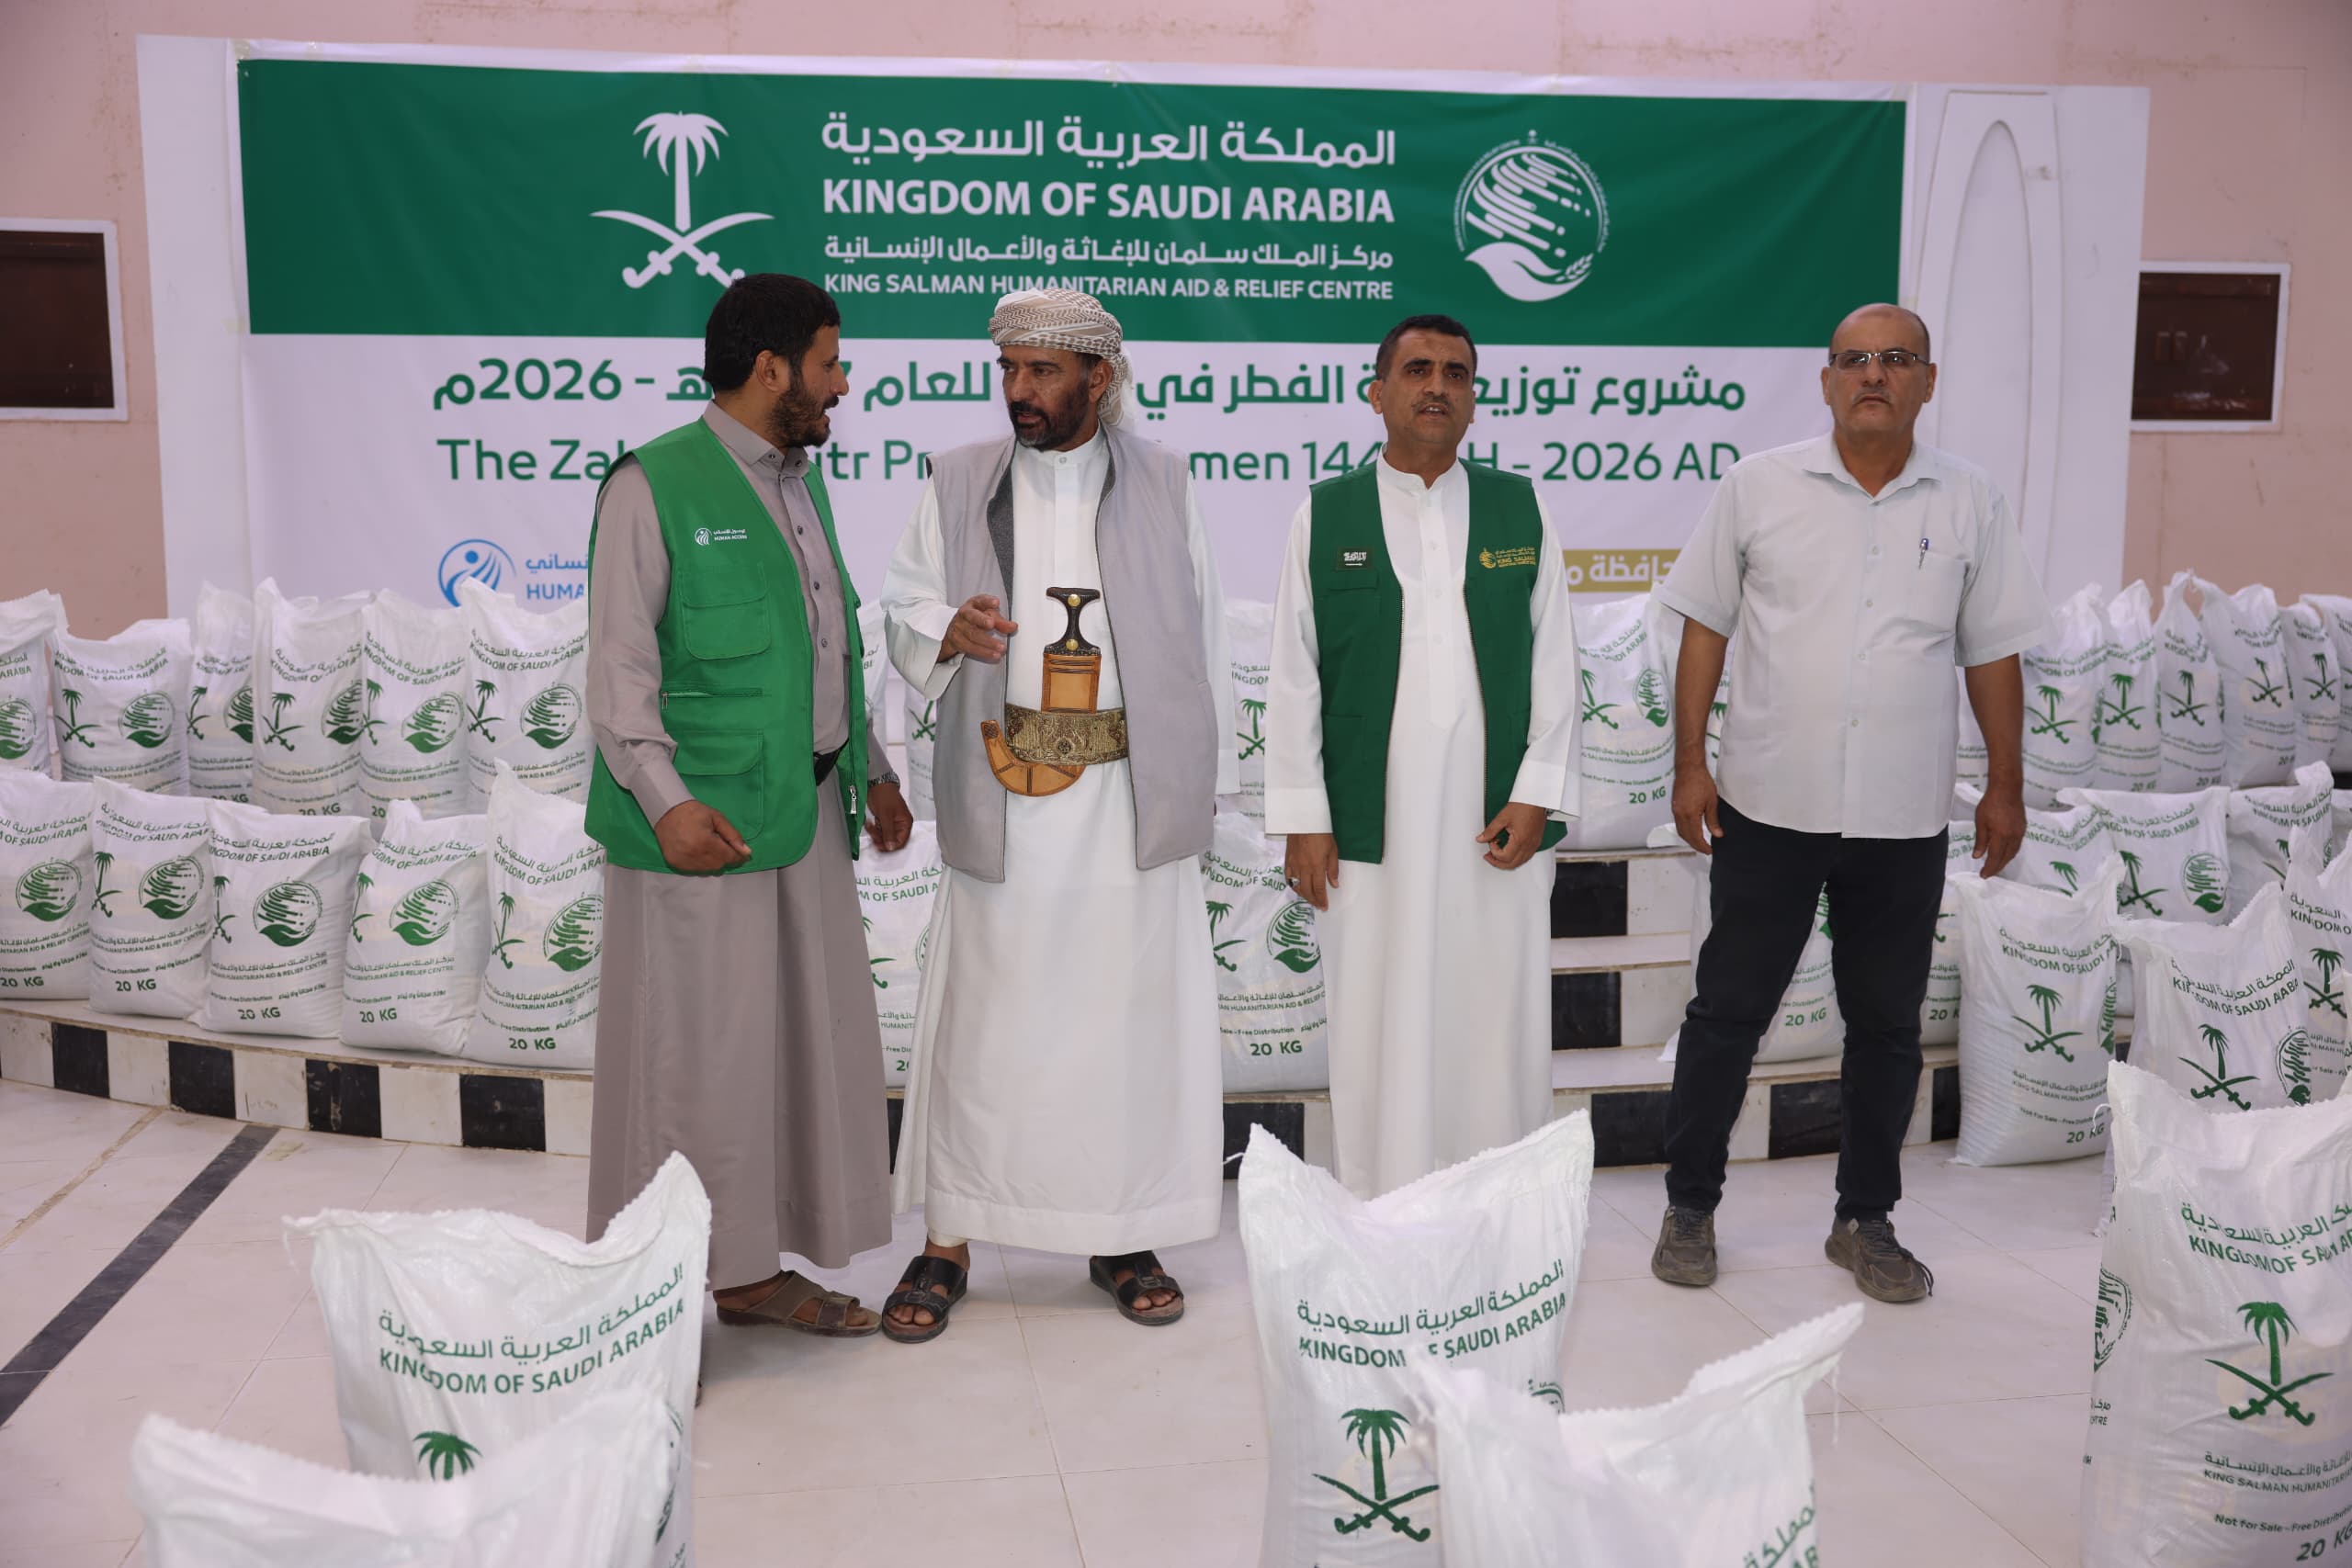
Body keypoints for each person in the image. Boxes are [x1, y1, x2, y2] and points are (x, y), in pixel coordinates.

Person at [1649, 303, 2045, 1303]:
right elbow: (1704, 627)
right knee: (1727, 1013)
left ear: (1927, 381)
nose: (1874, 374)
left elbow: (1992, 650)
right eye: (1854, 360)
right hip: (1767, 803)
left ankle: (1865, 1219)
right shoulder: (1758, 485)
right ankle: (1689, 1207)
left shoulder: (1970, 499)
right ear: (1826, 381)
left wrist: (2006, 784)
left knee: (1886, 1027)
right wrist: (1689, 762)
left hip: (1901, 816)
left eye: (1896, 359)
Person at [876, 288, 1236, 1341]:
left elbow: (1204, 639)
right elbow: (899, 604)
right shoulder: (958, 481)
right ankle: (949, 1238)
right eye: (1009, 371)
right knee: (985, 1028)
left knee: (1123, 1032)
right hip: (1006, 800)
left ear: (1098, 379)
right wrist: (944, 627)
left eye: (1041, 372)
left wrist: (1195, 786)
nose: (1019, 391)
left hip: (1127, 806)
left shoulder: (1165, 483)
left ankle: (1120, 1234)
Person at [583, 274, 911, 1339]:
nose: (842, 383)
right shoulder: (652, 485)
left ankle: (752, 1271)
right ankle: (659, 1298)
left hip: (804, 818)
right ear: (771, 369)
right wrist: (666, 804)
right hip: (702, 834)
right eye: (828, 362)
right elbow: (618, 672)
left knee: (787, 1061)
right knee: (694, 1071)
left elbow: (826, 643)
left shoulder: (799, 485)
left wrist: (872, 769)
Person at [1266, 313, 1582, 1199]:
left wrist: (1538, 792)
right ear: (1377, 393)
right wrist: (1303, 817)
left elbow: (1557, 660)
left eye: (1455, 373)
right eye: (1416, 370)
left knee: (1495, 1013)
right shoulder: (1325, 513)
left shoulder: (1521, 508)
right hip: (1370, 827)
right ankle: (1386, 1206)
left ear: (1474, 399)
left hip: (1496, 820)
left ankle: (1500, 1205)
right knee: (1379, 1013)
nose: (1437, 385)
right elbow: (1293, 674)